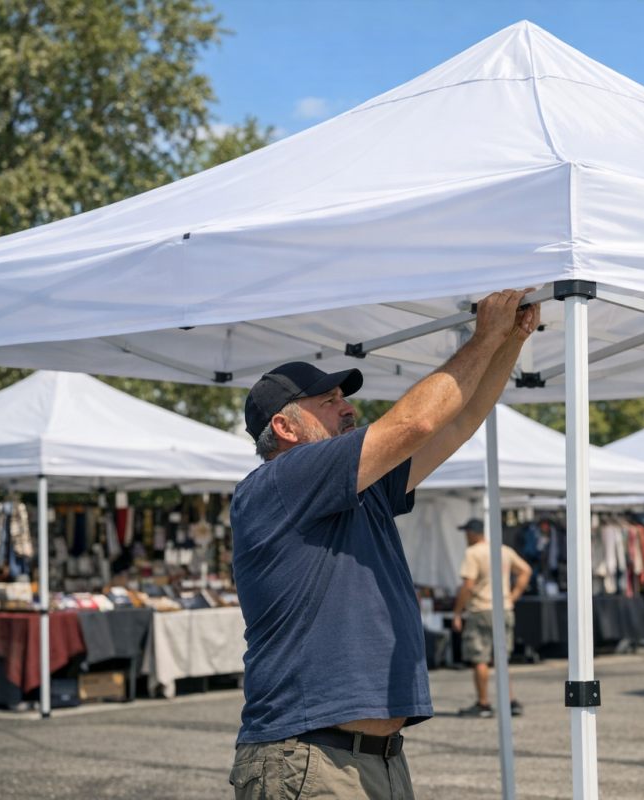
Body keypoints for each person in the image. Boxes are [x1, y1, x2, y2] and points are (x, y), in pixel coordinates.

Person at [228, 289, 541, 800]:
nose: (346, 409)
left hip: (365, 759)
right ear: (283, 428)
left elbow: (456, 422)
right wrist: (484, 336)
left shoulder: (353, 487)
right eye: (327, 403)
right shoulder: (283, 479)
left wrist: (509, 340)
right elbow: (414, 422)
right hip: (309, 758)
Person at [451, 518, 532, 718]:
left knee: (479, 657)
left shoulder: (473, 553)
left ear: (471, 533)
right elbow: (525, 571)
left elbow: (468, 585)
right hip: (504, 608)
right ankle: (510, 701)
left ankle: (483, 703)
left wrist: (457, 612)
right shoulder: (503, 549)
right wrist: (512, 596)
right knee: (501, 657)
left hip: (481, 608)